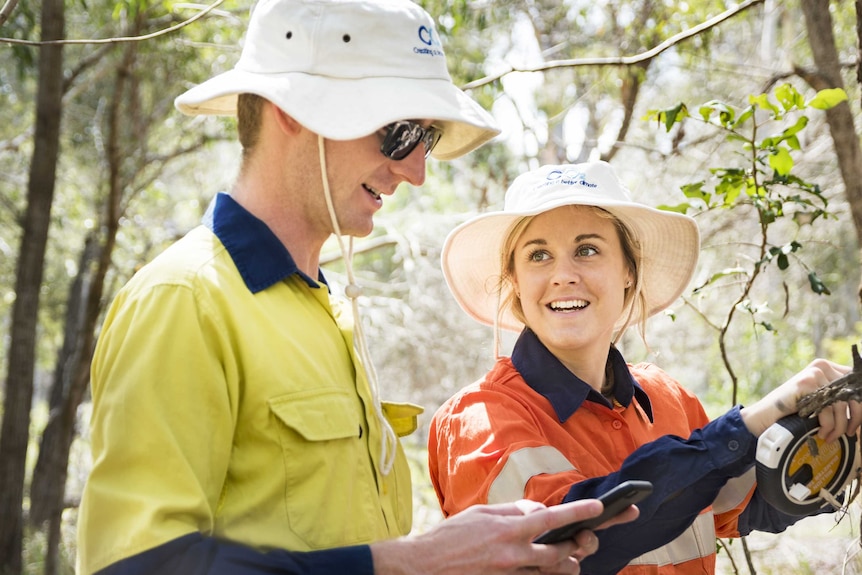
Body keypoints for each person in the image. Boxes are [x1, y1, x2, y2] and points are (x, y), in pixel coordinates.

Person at [75, 1, 641, 574]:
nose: (416, 170)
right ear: (290, 111)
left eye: (427, 136)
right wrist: (407, 562)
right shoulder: (185, 301)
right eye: (398, 133)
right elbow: (134, 565)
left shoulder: (324, 311)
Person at [428, 161, 862, 575]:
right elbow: (567, 543)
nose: (563, 274)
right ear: (516, 284)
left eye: (587, 250)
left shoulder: (665, 398)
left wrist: (839, 445)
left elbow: (744, 504)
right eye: (538, 256)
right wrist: (748, 423)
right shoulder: (478, 419)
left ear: (628, 273)